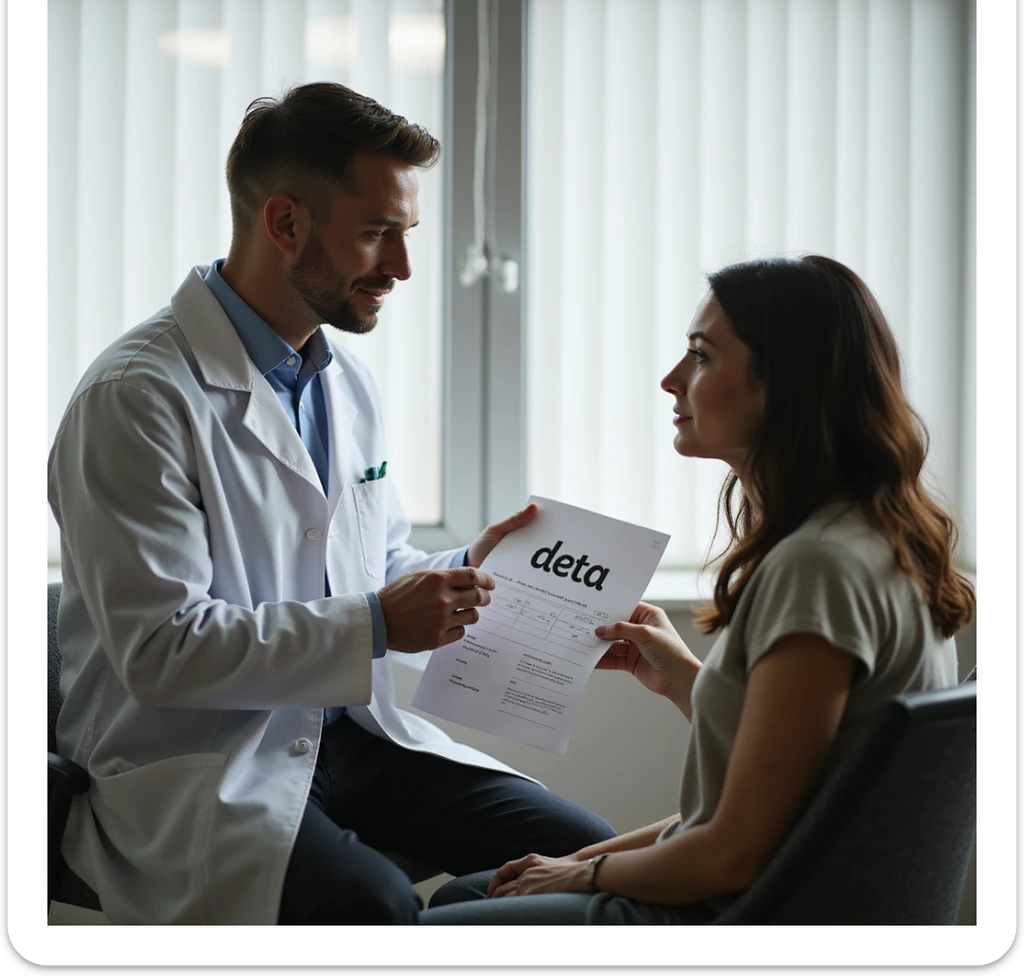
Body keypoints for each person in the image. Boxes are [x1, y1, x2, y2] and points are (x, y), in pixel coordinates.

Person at [47, 81, 615, 926]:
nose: (404, 267)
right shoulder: (136, 397)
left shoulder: (342, 378)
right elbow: (161, 651)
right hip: (202, 756)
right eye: (379, 233)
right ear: (285, 223)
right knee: (371, 907)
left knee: (594, 861)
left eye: (407, 234)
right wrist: (379, 623)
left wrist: (472, 573)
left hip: (352, 733)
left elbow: (368, 565)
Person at [420, 253, 976, 925]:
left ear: (786, 383)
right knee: (474, 892)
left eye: (702, 356)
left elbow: (733, 855)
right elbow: (786, 790)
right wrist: (684, 680)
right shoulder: (876, 539)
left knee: (443, 916)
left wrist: (582, 871)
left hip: (755, 917)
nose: (671, 380)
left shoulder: (817, 567)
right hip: (797, 892)